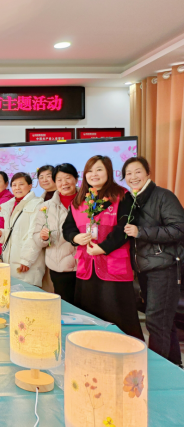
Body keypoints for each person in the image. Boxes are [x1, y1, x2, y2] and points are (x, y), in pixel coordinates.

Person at [62, 156, 143, 340]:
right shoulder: (79, 200)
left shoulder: (122, 196)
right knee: (88, 317)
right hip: (87, 267)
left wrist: (103, 248)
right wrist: (75, 237)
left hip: (114, 268)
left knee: (118, 316)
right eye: (90, 171)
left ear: (108, 172)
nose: (94, 174)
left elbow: (124, 228)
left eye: (99, 170)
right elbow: (67, 228)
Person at [122, 156, 184, 365]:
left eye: (138, 171)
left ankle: (156, 371)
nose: (133, 177)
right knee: (164, 322)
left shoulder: (163, 196)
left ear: (148, 173)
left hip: (164, 268)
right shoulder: (133, 200)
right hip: (146, 269)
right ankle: (174, 366)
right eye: (128, 173)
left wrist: (141, 232)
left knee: (156, 322)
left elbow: (179, 229)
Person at [32, 164, 78, 303]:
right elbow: (36, 236)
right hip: (59, 267)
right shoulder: (46, 207)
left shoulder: (88, 203)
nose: (64, 183)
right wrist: (43, 237)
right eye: (59, 179)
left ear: (76, 179)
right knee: (65, 307)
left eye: (68, 178)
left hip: (85, 267)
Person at [0, 172, 45, 286]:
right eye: (14, 185)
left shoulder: (37, 204)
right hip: (10, 259)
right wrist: (1, 234)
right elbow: (14, 231)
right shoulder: (10, 205)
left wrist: (27, 260)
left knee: (26, 292)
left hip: (26, 262)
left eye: (21, 184)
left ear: (30, 186)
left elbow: (34, 234)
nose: (17, 188)